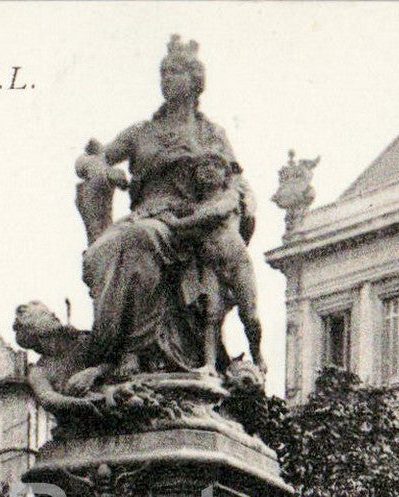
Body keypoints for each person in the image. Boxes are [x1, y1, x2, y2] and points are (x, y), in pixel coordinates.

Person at [80, 35, 256, 378]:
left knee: (144, 239)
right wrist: (100, 169)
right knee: (103, 250)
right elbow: (89, 158)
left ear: (195, 80)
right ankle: (107, 348)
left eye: (174, 72)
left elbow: (234, 184)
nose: (166, 79)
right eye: (163, 72)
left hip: (189, 221)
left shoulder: (211, 134)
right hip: (145, 213)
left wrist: (215, 210)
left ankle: (133, 348)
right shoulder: (141, 132)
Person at [166, 152, 263, 376]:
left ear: (224, 175)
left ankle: (257, 355)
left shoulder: (229, 196)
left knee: (250, 316)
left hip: (237, 262)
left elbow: (214, 214)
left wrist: (178, 224)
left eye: (214, 165)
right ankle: (209, 365)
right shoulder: (193, 206)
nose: (207, 169)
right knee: (211, 315)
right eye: (202, 167)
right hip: (211, 266)